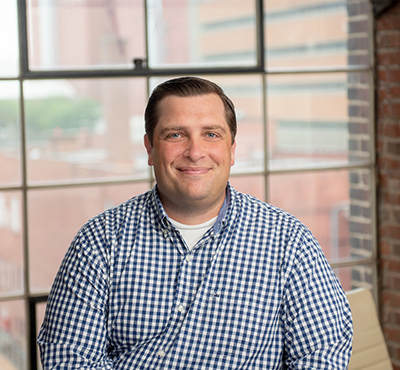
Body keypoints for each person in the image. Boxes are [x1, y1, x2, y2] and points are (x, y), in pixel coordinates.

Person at [37, 76, 353, 369]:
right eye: (175, 135)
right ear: (150, 148)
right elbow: (69, 355)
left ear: (231, 149)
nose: (195, 152)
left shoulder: (288, 242)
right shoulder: (100, 240)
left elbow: (322, 353)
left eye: (211, 134)